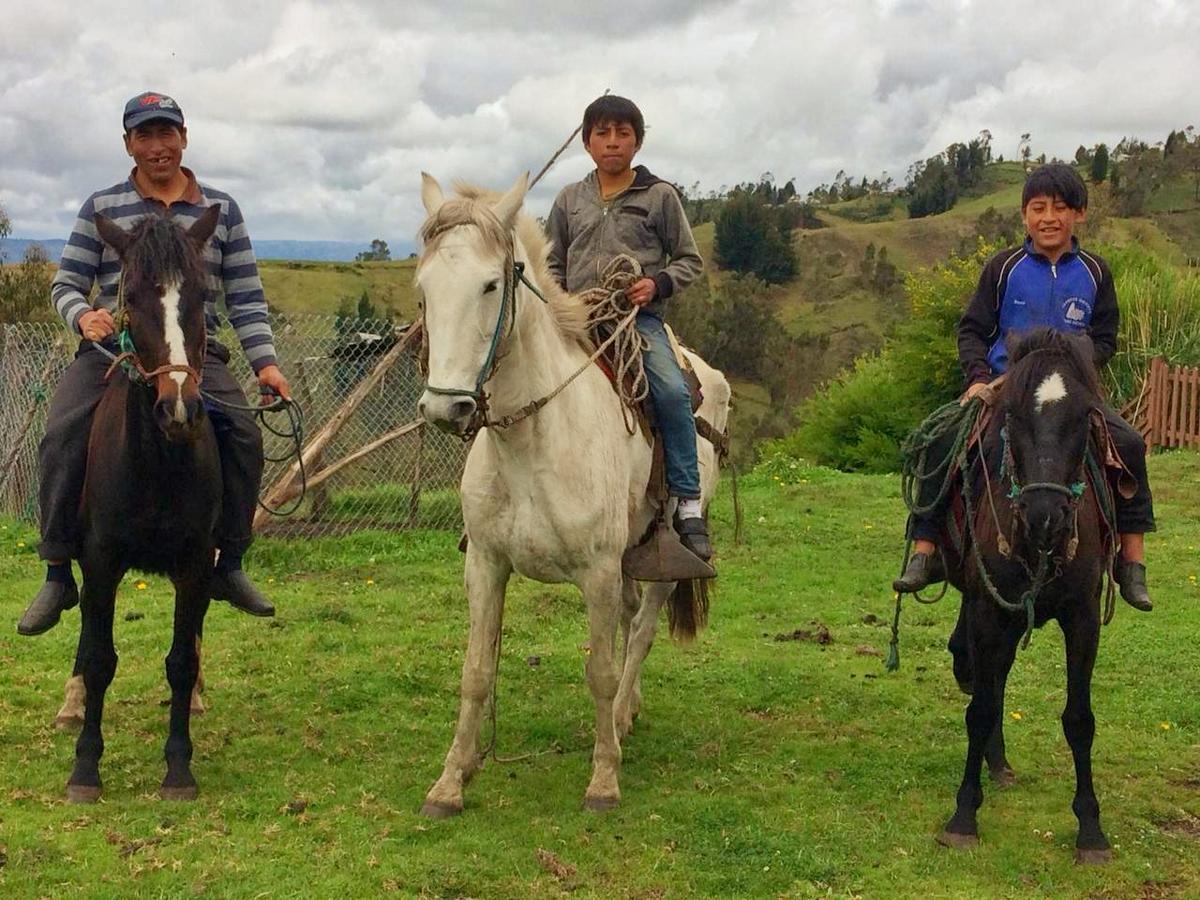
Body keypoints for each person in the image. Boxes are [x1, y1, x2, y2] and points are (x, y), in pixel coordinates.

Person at [17, 90, 291, 636]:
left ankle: (230, 562)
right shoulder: (102, 207)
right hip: (115, 353)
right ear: (129, 145)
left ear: (184, 138)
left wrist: (265, 364)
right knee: (62, 431)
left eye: (167, 133)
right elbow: (67, 282)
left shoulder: (222, 211)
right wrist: (82, 317)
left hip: (194, 355)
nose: (158, 146)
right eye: (145, 135)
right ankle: (55, 569)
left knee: (242, 433)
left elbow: (245, 297)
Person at [894, 163, 1154, 611]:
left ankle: (1131, 563)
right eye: (1038, 208)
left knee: (1129, 444)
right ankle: (927, 550)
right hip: (1006, 387)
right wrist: (977, 379)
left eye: (1060, 208)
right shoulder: (1003, 267)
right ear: (1023, 215)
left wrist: (1078, 369)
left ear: (1080, 215)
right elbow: (972, 330)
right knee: (940, 441)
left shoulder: (1095, 271)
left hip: (1070, 392)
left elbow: (1106, 336)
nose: (1048, 217)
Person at [546, 95, 710, 559]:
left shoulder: (659, 197)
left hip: (635, 323)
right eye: (602, 133)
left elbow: (689, 261)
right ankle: (501, 503)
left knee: (673, 393)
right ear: (586, 142)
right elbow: (553, 263)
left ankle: (687, 502)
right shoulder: (568, 200)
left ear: (637, 141)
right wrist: (558, 304)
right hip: (575, 319)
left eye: (622, 133)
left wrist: (655, 284)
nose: (612, 142)